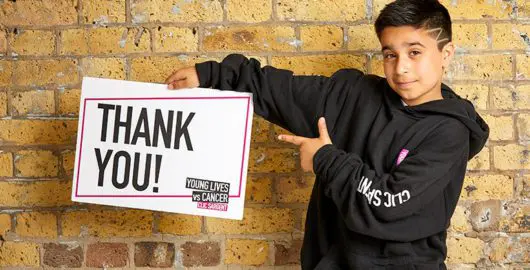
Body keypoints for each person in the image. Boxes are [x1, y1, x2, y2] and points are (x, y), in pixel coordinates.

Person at [164, 0, 489, 268]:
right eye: (390, 54)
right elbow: (279, 90)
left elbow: (387, 205)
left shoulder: (449, 133)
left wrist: (325, 159)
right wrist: (209, 74)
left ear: (446, 54)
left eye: (414, 52)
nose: (400, 67)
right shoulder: (353, 94)